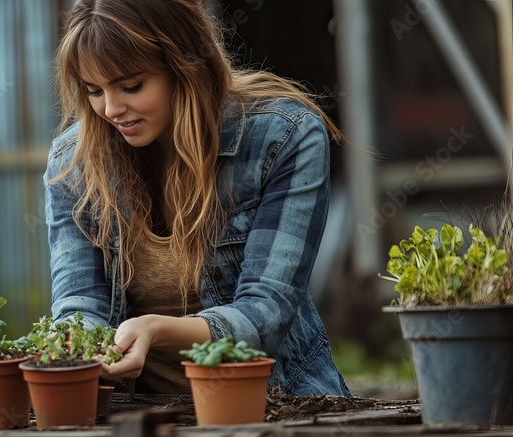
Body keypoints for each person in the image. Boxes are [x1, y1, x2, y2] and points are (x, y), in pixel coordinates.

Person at [44, 0, 352, 396]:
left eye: (131, 86)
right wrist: (75, 344)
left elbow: (265, 315)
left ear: (183, 65)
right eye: (93, 91)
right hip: (133, 412)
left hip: (271, 404)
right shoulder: (74, 163)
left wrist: (155, 330)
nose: (111, 109)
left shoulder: (282, 139)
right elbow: (78, 304)